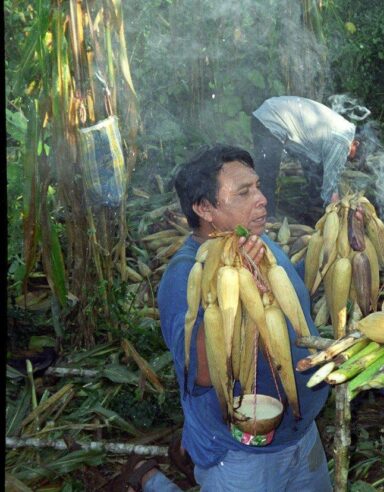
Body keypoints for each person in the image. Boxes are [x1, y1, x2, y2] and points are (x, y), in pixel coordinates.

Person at [120, 145, 331, 491]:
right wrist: (234, 286)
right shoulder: (185, 275)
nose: (262, 199)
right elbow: (202, 373)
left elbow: (292, 303)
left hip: (301, 431)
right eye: (245, 192)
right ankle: (150, 480)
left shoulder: (258, 243)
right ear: (205, 208)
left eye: (258, 186)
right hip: (242, 451)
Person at [251, 96, 360, 217]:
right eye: (351, 155)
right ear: (355, 143)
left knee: (316, 170)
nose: (347, 158)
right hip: (270, 119)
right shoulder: (343, 140)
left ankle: (312, 209)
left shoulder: (342, 128)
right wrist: (337, 212)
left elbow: (317, 168)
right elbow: (331, 182)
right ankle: (266, 219)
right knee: (267, 175)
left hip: (272, 112)